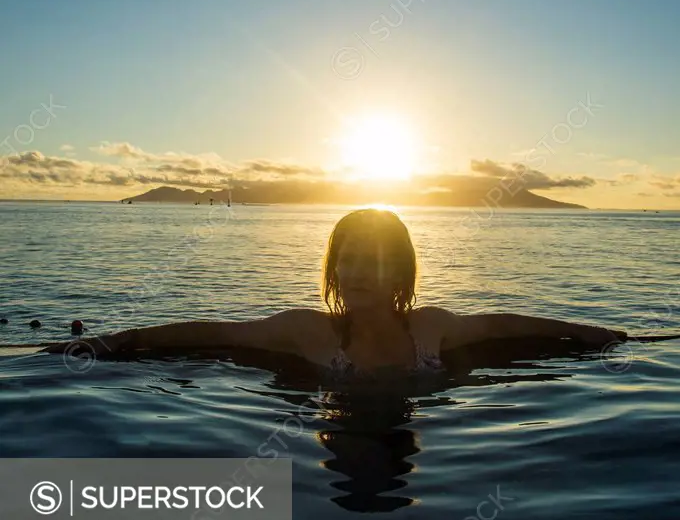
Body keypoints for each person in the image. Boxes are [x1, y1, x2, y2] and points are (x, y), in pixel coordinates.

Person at [45, 208, 628, 376]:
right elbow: (214, 332)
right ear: (333, 268)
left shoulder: (429, 327)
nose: (359, 274)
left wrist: (588, 334)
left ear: (401, 272)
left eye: (376, 262)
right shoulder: (310, 332)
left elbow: (502, 325)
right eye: (348, 260)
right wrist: (115, 341)